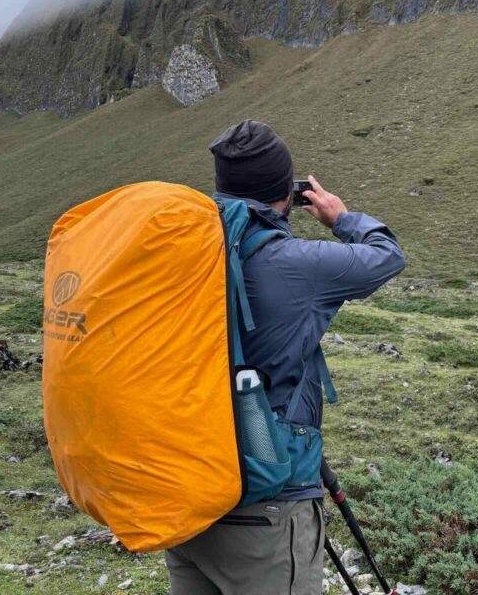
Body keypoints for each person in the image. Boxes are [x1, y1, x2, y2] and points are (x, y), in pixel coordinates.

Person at [164, 119, 405, 594]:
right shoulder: (299, 263)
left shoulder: (180, 253)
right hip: (267, 500)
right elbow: (387, 255)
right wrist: (340, 217)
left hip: (188, 493)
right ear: (286, 193)